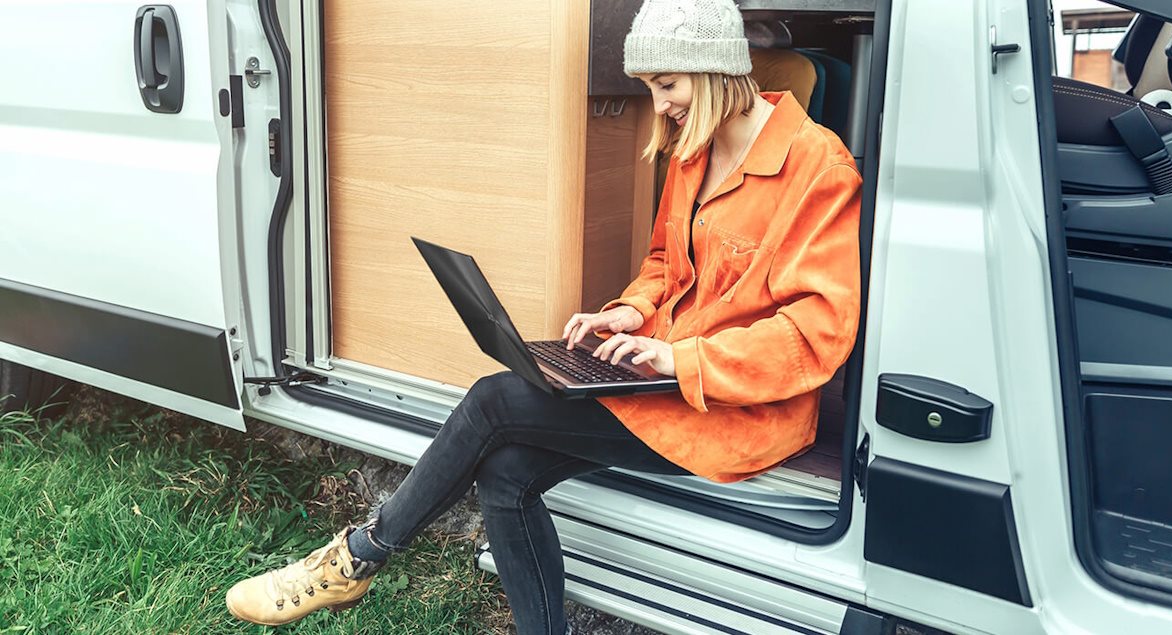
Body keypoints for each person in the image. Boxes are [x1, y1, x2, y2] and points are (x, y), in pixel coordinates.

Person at [224, 0, 861, 632]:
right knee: (505, 473)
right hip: (663, 378)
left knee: (494, 402)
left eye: (667, 84)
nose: (659, 104)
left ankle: (356, 560)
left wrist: (681, 358)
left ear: (718, 68)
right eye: (650, 87)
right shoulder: (695, 148)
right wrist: (631, 314)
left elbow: (818, 332)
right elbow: (668, 262)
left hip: (736, 410)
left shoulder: (817, 166)